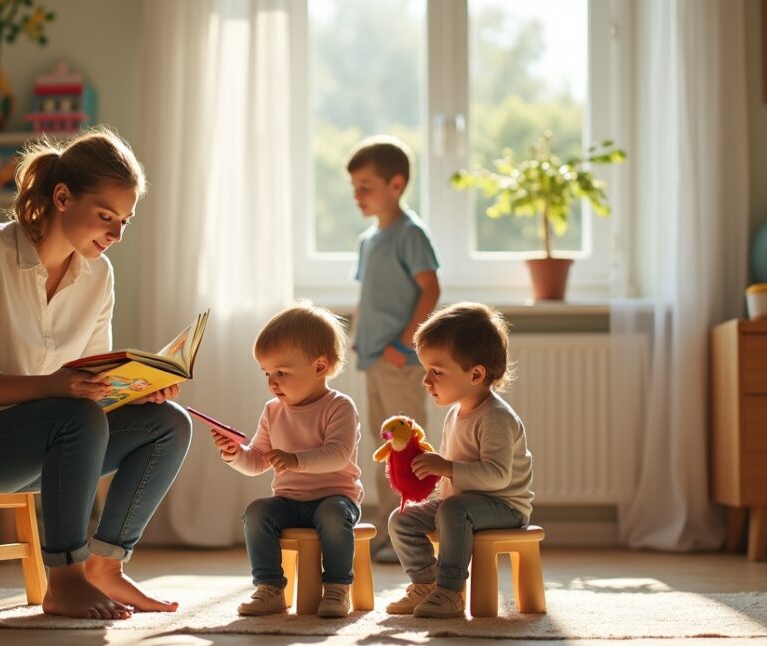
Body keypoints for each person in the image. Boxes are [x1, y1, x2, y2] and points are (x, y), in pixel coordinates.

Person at [0, 129, 192, 620]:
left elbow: (91, 383)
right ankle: (65, 580)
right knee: (74, 417)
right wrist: (53, 388)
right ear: (62, 197)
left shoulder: (99, 275)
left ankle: (105, 566)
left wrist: (132, 391)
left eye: (124, 221)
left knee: (169, 424)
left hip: (45, 444)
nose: (116, 235)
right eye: (106, 216)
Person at [210, 303, 363, 618]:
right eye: (267, 373)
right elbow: (258, 460)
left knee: (333, 514)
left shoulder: (339, 407)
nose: (272, 382)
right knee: (257, 512)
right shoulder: (272, 411)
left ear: (319, 367)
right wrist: (235, 454)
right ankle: (269, 588)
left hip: (336, 498)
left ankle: (337, 587)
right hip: (289, 501)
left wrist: (295, 460)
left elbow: (338, 455)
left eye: (281, 372)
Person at [385, 302, 533, 618]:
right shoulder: (456, 413)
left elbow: (497, 476)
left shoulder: (495, 417)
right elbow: (451, 471)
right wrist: (422, 467)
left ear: (476, 374)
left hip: (503, 506)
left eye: (436, 372)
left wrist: (445, 467)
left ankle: (450, 591)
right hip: (459, 504)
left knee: (453, 510)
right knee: (402, 519)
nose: (426, 381)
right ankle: (426, 583)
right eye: (426, 370)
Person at [347, 135, 441, 562]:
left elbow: (430, 289)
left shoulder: (410, 234)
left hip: (398, 360)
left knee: (410, 449)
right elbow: (368, 295)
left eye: (366, 186)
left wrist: (403, 345)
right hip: (373, 359)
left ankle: (415, 531)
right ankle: (392, 530)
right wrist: (358, 338)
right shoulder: (369, 240)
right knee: (383, 446)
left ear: (396, 184)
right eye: (355, 187)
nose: (358, 195)